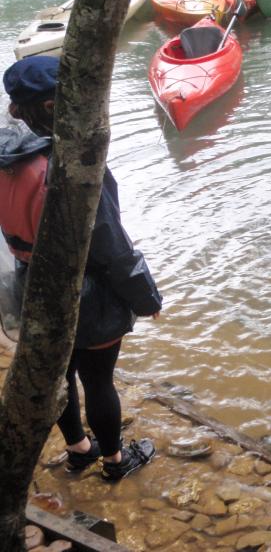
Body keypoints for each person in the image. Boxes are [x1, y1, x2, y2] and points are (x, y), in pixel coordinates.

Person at [2, 56, 163, 481]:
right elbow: (110, 245)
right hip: (83, 291)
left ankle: (78, 449)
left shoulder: (6, 157)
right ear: (55, 106)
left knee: (59, 372)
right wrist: (147, 298)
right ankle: (114, 461)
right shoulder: (73, 166)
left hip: (26, 283)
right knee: (99, 380)